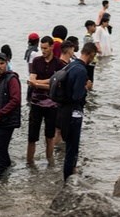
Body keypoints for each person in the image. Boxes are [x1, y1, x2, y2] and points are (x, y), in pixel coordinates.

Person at [60, 42, 96, 181]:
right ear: (91, 54)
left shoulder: (71, 64)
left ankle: (70, 175)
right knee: (72, 148)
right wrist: (86, 87)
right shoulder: (81, 70)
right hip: (74, 112)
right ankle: (68, 180)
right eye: (94, 55)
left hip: (64, 110)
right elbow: (77, 96)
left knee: (70, 146)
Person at [26, 37, 61, 166]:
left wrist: (38, 83)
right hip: (36, 103)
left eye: (45, 48)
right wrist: (48, 82)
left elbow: (57, 85)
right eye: (42, 48)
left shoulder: (58, 63)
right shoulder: (36, 61)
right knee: (32, 137)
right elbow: (31, 80)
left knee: (49, 136)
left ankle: (50, 162)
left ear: (52, 47)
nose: (43, 50)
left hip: (52, 104)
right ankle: (29, 162)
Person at [0, 52, 21, 181]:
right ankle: (7, 164)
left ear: (7, 64)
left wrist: (0, 113)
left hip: (6, 119)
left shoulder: (11, 79)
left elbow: (16, 99)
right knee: (0, 145)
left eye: (2, 63)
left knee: (0, 146)